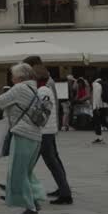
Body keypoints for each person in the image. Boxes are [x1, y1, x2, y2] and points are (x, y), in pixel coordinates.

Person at [0, 62, 48, 214]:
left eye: (12, 76)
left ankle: (30, 209)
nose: (11, 79)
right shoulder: (35, 89)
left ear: (19, 77)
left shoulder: (19, 89)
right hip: (36, 135)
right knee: (27, 172)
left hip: (22, 134)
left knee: (17, 173)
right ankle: (35, 200)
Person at [23, 58, 72, 205]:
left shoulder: (43, 89)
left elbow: (42, 112)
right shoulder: (45, 86)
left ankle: (65, 193)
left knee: (44, 162)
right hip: (47, 130)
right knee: (51, 161)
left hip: (44, 131)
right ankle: (64, 190)